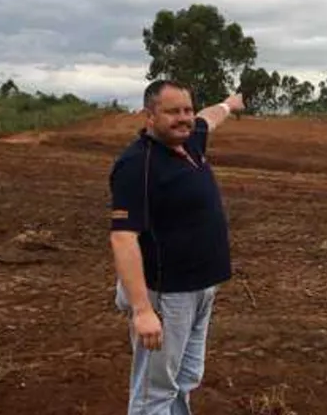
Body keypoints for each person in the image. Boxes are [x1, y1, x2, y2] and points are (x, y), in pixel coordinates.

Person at [108, 79, 244, 414]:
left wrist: (229, 103)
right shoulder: (136, 164)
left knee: (185, 379)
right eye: (172, 111)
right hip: (167, 296)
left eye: (187, 109)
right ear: (149, 116)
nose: (184, 118)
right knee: (154, 392)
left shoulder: (190, 140)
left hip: (200, 289)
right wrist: (142, 311)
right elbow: (123, 237)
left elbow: (210, 117)